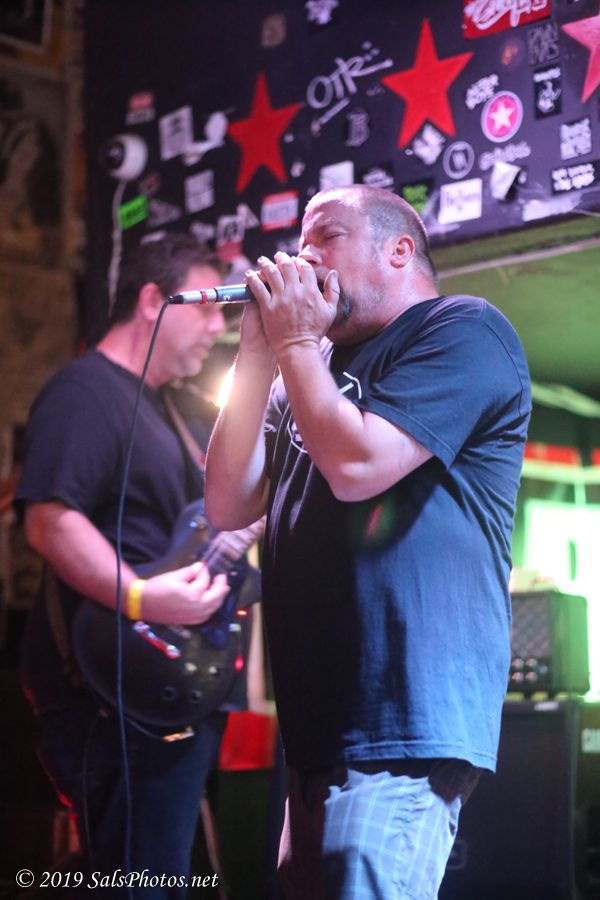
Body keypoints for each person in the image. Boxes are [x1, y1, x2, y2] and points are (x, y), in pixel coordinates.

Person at [205, 185, 532, 899]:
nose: (303, 257)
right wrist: (258, 355)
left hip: (404, 717)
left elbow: (358, 467)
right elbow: (228, 502)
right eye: (300, 241)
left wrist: (295, 344)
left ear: (399, 250)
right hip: (317, 727)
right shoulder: (308, 368)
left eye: (326, 237)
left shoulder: (462, 329)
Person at [16, 233, 258, 896]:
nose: (217, 326)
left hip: (161, 691)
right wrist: (142, 600)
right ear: (153, 300)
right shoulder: (85, 392)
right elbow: (49, 521)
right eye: (208, 307)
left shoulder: (169, 408)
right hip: (113, 690)